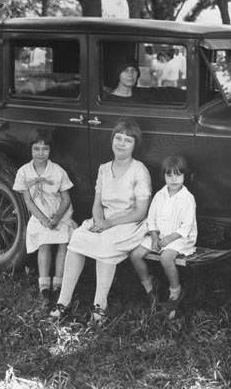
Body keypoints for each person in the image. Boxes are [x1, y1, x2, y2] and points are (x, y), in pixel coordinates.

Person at [50, 117, 152, 325]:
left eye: (128, 140)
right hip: (104, 219)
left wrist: (109, 225)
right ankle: (63, 302)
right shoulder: (104, 168)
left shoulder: (139, 170)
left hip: (129, 223)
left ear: (135, 146)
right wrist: (98, 221)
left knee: (105, 244)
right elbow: (97, 203)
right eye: (118, 138)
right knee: (78, 237)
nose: (121, 144)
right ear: (112, 140)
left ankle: (99, 307)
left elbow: (141, 212)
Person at [12, 128, 76, 305]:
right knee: (44, 243)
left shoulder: (57, 171)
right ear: (30, 150)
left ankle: (59, 282)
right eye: (36, 149)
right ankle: (44, 285)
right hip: (40, 216)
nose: (41, 153)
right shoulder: (24, 172)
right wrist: (44, 220)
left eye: (45, 149)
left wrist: (56, 217)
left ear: (50, 150)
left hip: (60, 215)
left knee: (64, 242)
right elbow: (29, 201)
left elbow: (65, 198)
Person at [130, 155, 197, 316]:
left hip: (179, 238)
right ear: (164, 176)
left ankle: (175, 291)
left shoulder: (188, 198)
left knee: (166, 257)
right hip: (159, 235)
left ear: (184, 176)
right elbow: (151, 218)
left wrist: (168, 239)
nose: (173, 179)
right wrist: (154, 237)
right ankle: (150, 288)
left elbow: (186, 226)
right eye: (169, 175)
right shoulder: (160, 195)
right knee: (135, 255)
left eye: (178, 175)